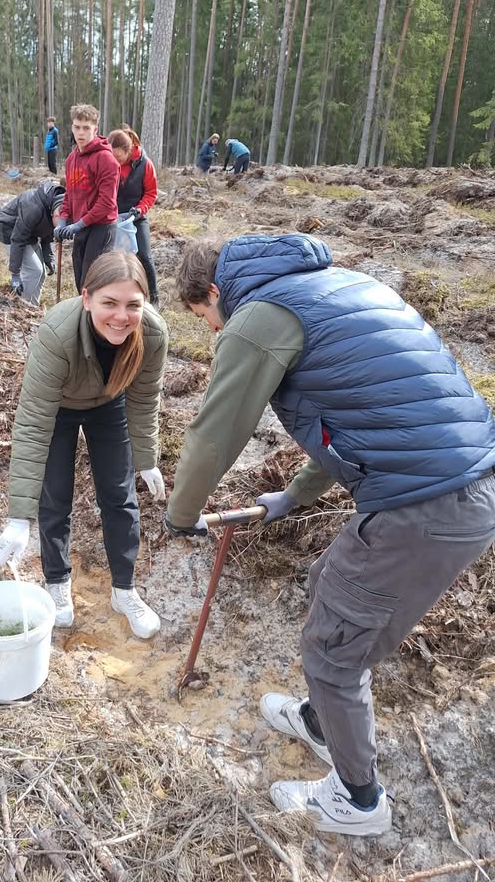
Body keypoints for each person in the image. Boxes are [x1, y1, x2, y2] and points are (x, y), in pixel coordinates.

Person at [164, 233, 495, 836]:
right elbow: (357, 417)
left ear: (215, 293)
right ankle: (322, 721)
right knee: (330, 586)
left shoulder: (255, 319)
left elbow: (215, 436)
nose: (212, 332)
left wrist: (181, 515)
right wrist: (294, 496)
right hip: (462, 486)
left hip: (426, 505)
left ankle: (358, 801)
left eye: (203, 317)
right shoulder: (340, 287)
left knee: (332, 651)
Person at [0, 251, 168, 638]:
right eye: (109, 303)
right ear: (86, 298)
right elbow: (33, 423)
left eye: (132, 305)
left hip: (110, 402)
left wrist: (146, 457)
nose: (121, 316)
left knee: (120, 498)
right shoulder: (57, 332)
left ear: (145, 304)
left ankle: (125, 590)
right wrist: (18, 518)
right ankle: (57, 582)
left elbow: (144, 397)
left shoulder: (152, 333)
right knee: (55, 498)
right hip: (60, 410)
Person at [54, 104, 120, 293]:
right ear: (72, 127)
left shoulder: (106, 160)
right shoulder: (71, 160)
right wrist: (64, 219)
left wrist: (79, 224)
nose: (81, 132)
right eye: (77, 127)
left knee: (92, 284)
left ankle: (95, 321)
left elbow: (107, 203)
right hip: (82, 226)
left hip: (101, 227)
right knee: (79, 281)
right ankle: (84, 319)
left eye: (86, 128)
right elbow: (70, 195)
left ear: (95, 129)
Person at [108, 127, 160, 309]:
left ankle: (153, 297)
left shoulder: (145, 164)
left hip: (136, 217)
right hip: (111, 218)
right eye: (111, 156)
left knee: (144, 256)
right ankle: (115, 295)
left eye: (118, 157)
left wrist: (140, 209)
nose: (115, 161)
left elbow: (151, 193)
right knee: (113, 258)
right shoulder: (108, 162)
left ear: (128, 151)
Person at [0, 180, 63, 304]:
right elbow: (17, 239)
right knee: (34, 270)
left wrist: (48, 256)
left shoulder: (58, 205)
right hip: (10, 230)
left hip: (30, 233)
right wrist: (15, 274)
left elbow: (48, 231)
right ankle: (21, 306)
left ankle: (33, 306)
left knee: (41, 274)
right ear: (55, 214)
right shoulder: (33, 207)